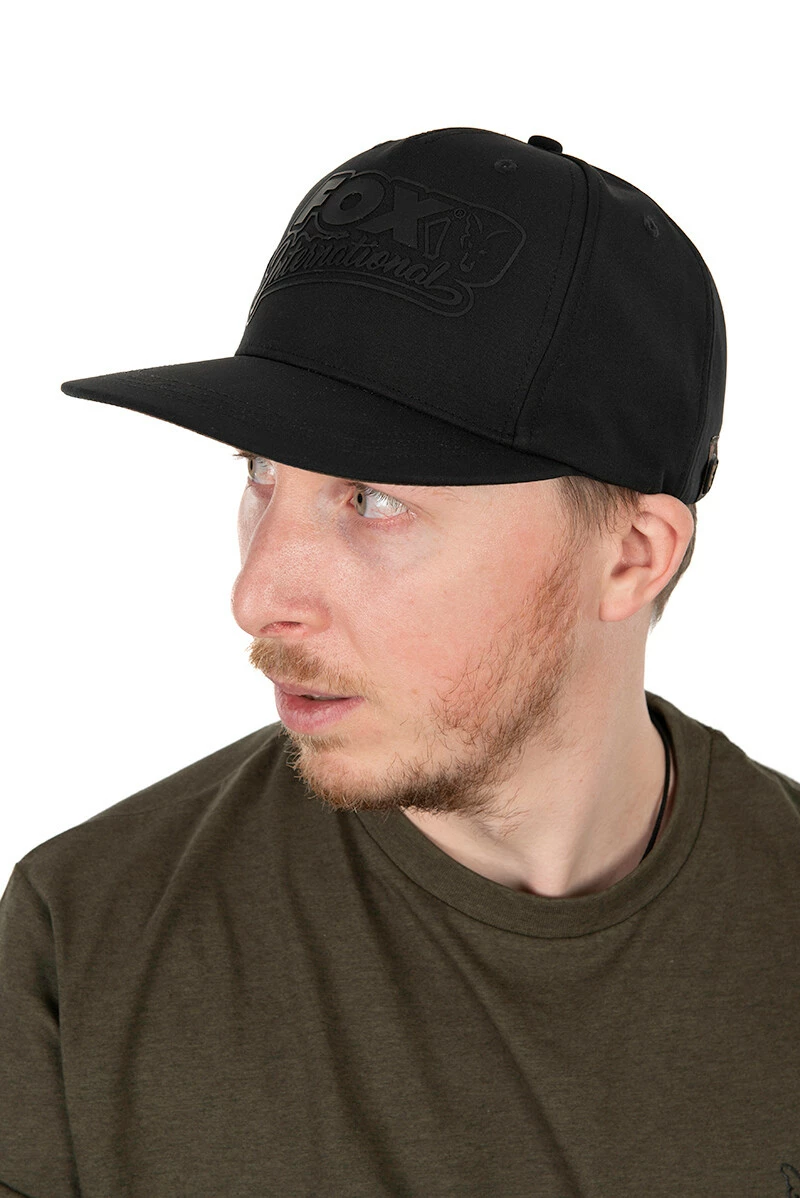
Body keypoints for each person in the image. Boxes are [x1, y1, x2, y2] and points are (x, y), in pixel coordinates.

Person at [1, 126, 797, 1197]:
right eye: (259, 473)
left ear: (630, 555)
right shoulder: (87, 943)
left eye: (372, 500)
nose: (256, 597)